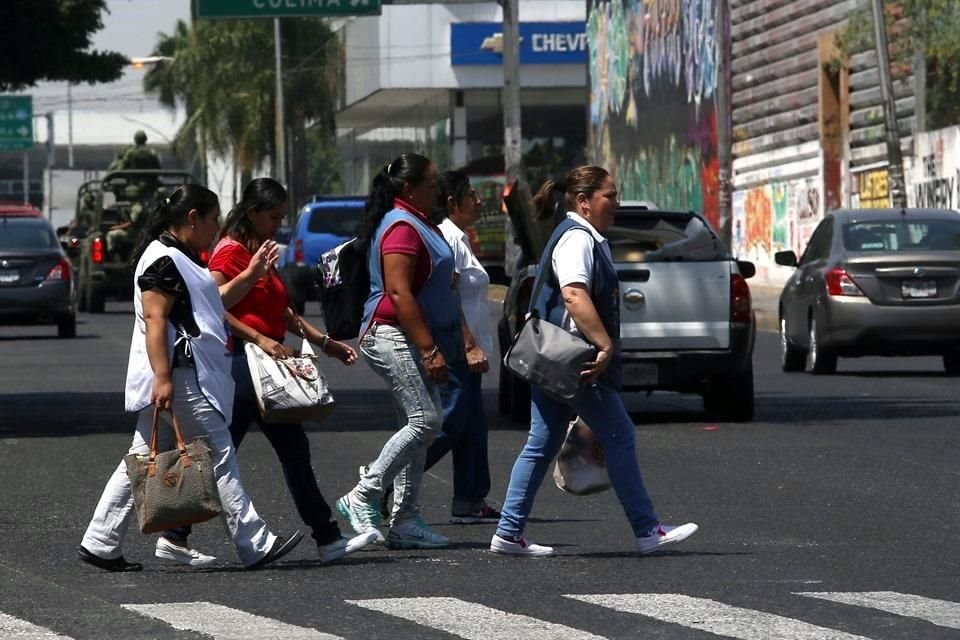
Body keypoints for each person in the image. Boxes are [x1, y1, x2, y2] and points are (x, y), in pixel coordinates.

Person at [78, 184, 303, 572]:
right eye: (213, 219)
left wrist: (250, 275)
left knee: (141, 455)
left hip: (179, 374)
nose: (217, 228)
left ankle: (101, 540)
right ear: (193, 218)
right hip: (179, 375)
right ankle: (255, 542)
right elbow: (155, 319)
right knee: (219, 452)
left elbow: (213, 305)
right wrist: (163, 376)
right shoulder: (163, 259)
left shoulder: (181, 257)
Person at [160, 178, 378, 565]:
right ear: (253, 212)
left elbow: (283, 312)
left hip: (263, 365)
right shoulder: (229, 252)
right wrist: (259, 339)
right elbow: (215, 307)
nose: (278, 224)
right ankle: (325, 537)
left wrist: (326, 343)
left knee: (258, 451)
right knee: (234, 452)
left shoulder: (259, 251)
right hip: (242, 364)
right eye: (273, 216)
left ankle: (176, 534)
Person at [490, 166, 699, 557]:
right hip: (577, 360)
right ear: (584, 202)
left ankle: (508, 531)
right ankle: (647, 529)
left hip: (554, 358)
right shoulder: (577, 239)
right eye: (610, 196)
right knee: (619, 434)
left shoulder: (585, 236)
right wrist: (604, 345)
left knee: (542, 440)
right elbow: (573, 294)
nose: (616, 204)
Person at [336, 153, 473, 550]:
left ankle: (406, 519)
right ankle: (363, 493)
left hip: (411, 335)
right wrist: (430, 350)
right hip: (389, 333)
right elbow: (398, 292)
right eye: (432, 184)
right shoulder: (401, 225)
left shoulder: (418, 221)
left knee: (420, 427)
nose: (439, 190)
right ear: (409, 188)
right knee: (426, 420)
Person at [424, 170, 500, 523]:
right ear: (453, 203)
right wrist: (468, 344)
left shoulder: (460, 237)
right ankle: (386, 482)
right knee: (450, 423)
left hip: (469, 349)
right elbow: (448, 295)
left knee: (472, 425)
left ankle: (470, 499)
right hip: (456, 347)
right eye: (472, 194)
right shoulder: (448, 239)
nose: (479, 199)